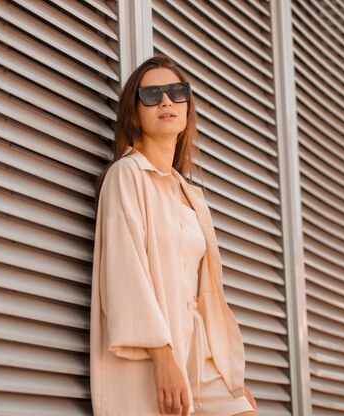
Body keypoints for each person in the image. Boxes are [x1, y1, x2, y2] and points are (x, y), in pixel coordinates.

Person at [89, 55, 259, 415]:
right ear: (134, 113)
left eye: (176, 92)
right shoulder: (127, 175)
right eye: (151, 95)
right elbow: (125, 272)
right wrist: (163, 357)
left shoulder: (190, 195)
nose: (166, 101)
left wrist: (229, 373)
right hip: (155, 355)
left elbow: (206, 295)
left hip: (202, 352)